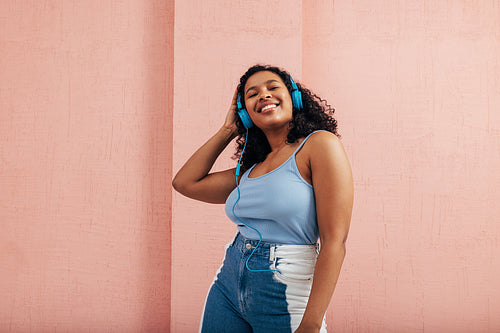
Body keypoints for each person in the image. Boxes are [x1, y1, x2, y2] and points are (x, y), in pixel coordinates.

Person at [172, 64, 353, 333]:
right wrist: (227, 129)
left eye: (272, 87)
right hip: (229, 284)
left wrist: (312, 324)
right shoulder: (251, 169)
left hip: (285, 284)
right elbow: (185, 183)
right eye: (252, 94)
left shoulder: (319, 145)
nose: (263, 95)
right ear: (245, 113)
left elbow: (334, 241)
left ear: (294, 97)